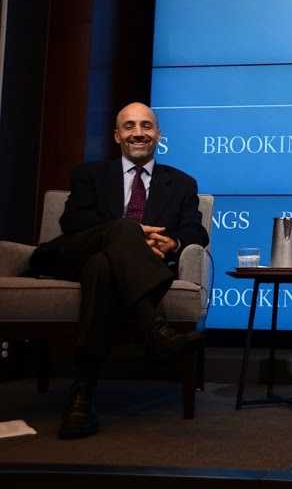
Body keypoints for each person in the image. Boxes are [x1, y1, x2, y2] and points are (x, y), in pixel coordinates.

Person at [29, 102, 209, 440]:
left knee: (103, 266)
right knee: (123, 230)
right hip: (72, 258)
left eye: (146, 126)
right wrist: (130, 233)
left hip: (102, 268)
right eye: (129, 126)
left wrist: (169, 244)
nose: (138, 133)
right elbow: (73, 223)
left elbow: (196, 232)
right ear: (116, 135)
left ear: (158, 135)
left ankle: (83, 393)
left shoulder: (182, 182)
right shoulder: (89, 174)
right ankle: (154, 328)